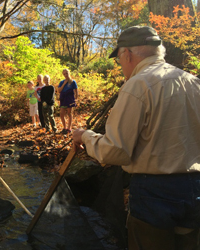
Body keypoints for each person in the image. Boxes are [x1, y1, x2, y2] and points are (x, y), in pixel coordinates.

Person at [72, 26, 200, 250]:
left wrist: (86, 136)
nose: (121, 65)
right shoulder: (193, 82)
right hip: (196, 187)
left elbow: (115, 151)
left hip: (155, 192)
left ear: (127, 54)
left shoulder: (138, 85)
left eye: (119, 59)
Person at [58, 69, 78, 134]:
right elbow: (59, 90)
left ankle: (69, 128)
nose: (66, 75)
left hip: (70, 98)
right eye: (64, 74)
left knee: (69, 113)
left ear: (69, 73)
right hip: (63, 98)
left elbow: (76, 90)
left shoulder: (73, 82)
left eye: (66, 73)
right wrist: (64, 84)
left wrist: (76, 98)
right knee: (61, 113)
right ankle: (65, 127)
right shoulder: (61, 82)